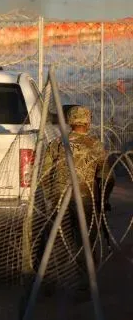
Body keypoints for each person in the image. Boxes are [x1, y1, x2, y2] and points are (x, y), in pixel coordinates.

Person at [41, 106, 111, 268]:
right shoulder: (95, 145)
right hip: (85, 197)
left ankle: (55, 273)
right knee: (86, 238)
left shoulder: (57, 143)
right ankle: (85, 278)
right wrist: (103, 199)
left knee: (59, 238)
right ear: (87, 122)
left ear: (70, 121)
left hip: (59, 196)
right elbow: (107, 177)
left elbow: (45, 173)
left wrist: (50, 195)